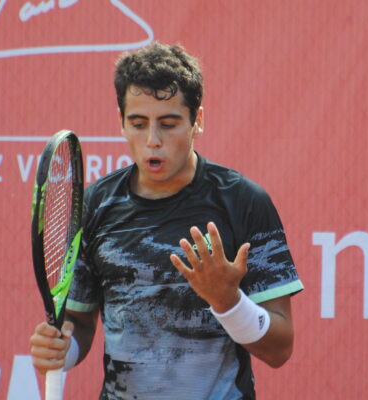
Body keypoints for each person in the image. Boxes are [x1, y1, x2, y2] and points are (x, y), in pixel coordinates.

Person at [29, 42, 303, 399]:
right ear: (121, 124)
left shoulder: (245, 202)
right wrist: (62, 350)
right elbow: (79, 323)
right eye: (138, 124)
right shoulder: (94, 204)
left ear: (197, 121)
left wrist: (228, 302)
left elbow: (279, 349)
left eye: (169, 124)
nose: (152, 141)